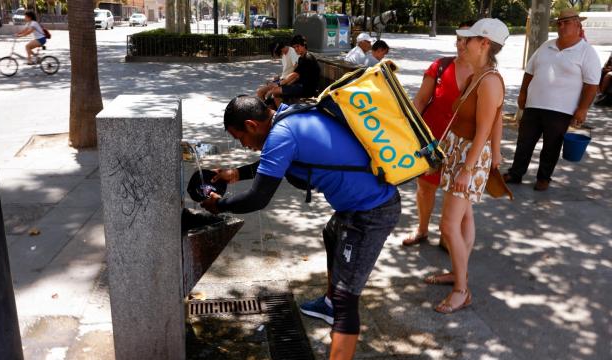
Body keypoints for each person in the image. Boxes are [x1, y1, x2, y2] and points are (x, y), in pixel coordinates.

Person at [201, 96, 400, 359]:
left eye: (240, 138)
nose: (244, 145)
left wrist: (220, 205)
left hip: (371, 211)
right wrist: (237, 173)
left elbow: (257, 198)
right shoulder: (289, 115)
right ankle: (328, 304)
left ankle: (336, 311)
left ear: (251, 125)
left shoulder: (281, 135)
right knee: (331, 234)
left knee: (346, 298)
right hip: (357, 204)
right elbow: (280, 160)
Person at [431, 18, 508, 314]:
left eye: (469, 40)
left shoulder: (488, 81)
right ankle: (457, 272)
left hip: (468, 158)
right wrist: (496, 153)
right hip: (459, 152)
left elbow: (486, 126)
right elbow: (498, 117)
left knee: (448, 225)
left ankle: (462, 289)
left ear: (485, 44)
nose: (462, 44)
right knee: (463, 220)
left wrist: (468, 168)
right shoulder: (479, 74)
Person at [503, 9, 601, 191]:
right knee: (524, 142)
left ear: (578, 25)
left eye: (567, 22)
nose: (562, 26)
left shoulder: (587, 52)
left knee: (551, 146)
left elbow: (592, 84)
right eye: (559, 23)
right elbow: (529, 71)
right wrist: (523, 93)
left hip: (561, 109)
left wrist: (582, 109)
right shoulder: (546, 46)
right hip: (534, 104)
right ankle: (516, 173)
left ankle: (544, 178)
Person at [401, 21, 475, 251]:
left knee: (457, 191)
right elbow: (421, 100)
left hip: (464, 143)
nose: (460, 44)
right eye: (458, 38)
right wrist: (409, 130)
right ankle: (422, 229)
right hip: (433, 139)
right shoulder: (441, 66)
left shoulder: (486, 73)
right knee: (425, 187)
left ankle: (448, 233)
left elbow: (492, 114)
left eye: (467, 39)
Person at [265, 35, 320, 106]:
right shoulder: (301, 58)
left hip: (307, 89)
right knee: (275, 92)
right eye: (294, 47)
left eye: (298, 46)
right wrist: (284, 84)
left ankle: (282, 114)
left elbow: (295, 75)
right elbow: (296, 76)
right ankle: (281, 111)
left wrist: (279, 84)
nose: (296, 49)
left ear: (304, 45)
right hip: (300, 86)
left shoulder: (307, 58)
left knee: (275, 91)